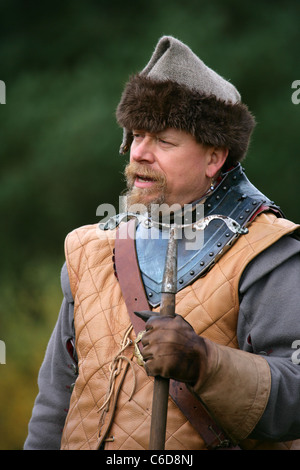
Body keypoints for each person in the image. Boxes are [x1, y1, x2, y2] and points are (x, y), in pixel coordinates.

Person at [24, 36, 300, 451]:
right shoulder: (90, 250)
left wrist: (205, 362)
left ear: (214, 157)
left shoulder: (267, 254)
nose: (140, 153)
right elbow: (55, 402)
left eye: (164, 141)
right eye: (136, 136)